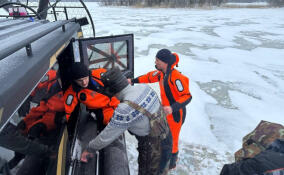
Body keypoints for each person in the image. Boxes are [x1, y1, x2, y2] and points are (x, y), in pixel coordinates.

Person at [80, 67, 172, 175]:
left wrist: (89, 149)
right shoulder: (144, 88)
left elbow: (107, 136)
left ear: (114, 92)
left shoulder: (125, 109)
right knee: (163, 170)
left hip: (153, 149)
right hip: (167, 137)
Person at [128, 49, 192, 169]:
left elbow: (187, 96)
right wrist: (132, 81)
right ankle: (165, 157)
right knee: (165, 137)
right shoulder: (161, 73)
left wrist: (172, 108)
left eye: (157, 60)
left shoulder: (176, 77)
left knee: (172, 140)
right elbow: (148, 77)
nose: (155, 62)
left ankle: (171, 164)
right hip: (167, 111)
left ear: (165, 62)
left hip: (176, 113)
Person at [5, 72, 64, 174]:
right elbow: (34, 82)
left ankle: (42, 153)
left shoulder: (77, 89)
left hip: (55, 117)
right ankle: (19, 155)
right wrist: (27, 97)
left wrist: (63, 118)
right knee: (23, 128)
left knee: (35, 130)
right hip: (43, 108)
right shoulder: (49, 77)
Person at [64, 62, 120, 127]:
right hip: (103, 111)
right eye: (80, 80)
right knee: (117, 123)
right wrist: (63, 120)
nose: (84, 82)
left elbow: (116, 77)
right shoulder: (72, 92)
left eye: (85, 78)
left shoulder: (99, 74)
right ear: (74, 80)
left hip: (118, 101)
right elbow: (67, 110)